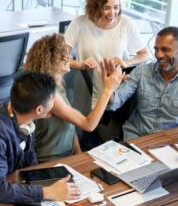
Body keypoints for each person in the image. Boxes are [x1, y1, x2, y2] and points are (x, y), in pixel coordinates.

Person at [0, 71, 80, 204]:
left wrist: (38, 181)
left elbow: (29, 154)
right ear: (39, 110)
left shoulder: (22, 110)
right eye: (53, 100)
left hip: (5, 179)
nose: (54, 104)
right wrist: (48, 192)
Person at [105, 26, 178, 158]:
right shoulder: (142, 71)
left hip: (169, 146)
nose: (158, 55)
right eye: (156, 49)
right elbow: (116, 100)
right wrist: (109, 89)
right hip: (135, 140)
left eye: (165, 50)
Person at [23, 33, 124, 161]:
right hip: (49, 162)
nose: (70, 57)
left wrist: (78, 153)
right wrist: (108, 89)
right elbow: (88, 125)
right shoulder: (48, 94)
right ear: (49, 61)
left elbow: (71, 123)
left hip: (67, 154)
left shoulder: (57, 84)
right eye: (64, 56)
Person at [65, 0, 149, 108]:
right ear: (95, 7)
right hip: (86, 89)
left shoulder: (126, 24)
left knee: (110, 126)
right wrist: (80, 64)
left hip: (115, 92)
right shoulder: (79, 23)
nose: (112, 13)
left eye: (116, 7)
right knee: (86, 125)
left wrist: (127, 62)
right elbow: (59, 56)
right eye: (106, 8)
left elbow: (145, 54)